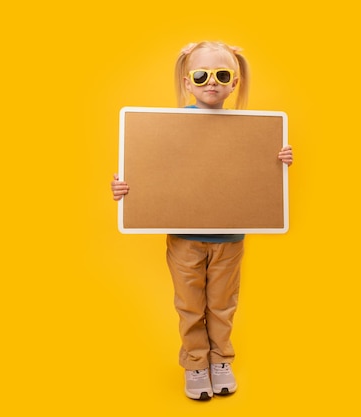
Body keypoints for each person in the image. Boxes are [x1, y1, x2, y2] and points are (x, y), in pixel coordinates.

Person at [111, 41, 293, 400]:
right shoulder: (168, 128)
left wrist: (278, 161)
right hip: (184, 239)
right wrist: (124, 187)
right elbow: (149, 167)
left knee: (223, 306)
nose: (212, 82)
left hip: (229, 240)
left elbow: (257, 179)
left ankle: (220, 360)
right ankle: (196, 363)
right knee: (190, 305)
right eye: (202, 75)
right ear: (187, 82)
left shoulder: (251, 132)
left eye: (221, 75)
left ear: (234, 82)